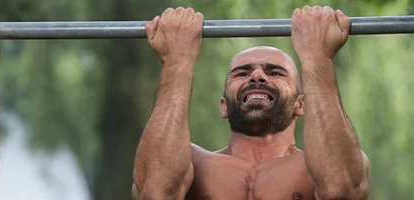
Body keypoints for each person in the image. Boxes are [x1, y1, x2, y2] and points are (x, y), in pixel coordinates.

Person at [132, 5, 370, 200]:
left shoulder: (317, 168)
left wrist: (317, 58)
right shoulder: (192, 163)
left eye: (275, 72)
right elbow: (155, 192)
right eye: (242, 73)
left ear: (301, 105)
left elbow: (341, 190)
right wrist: (177, 63)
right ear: (224, 105)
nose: (257, 76)